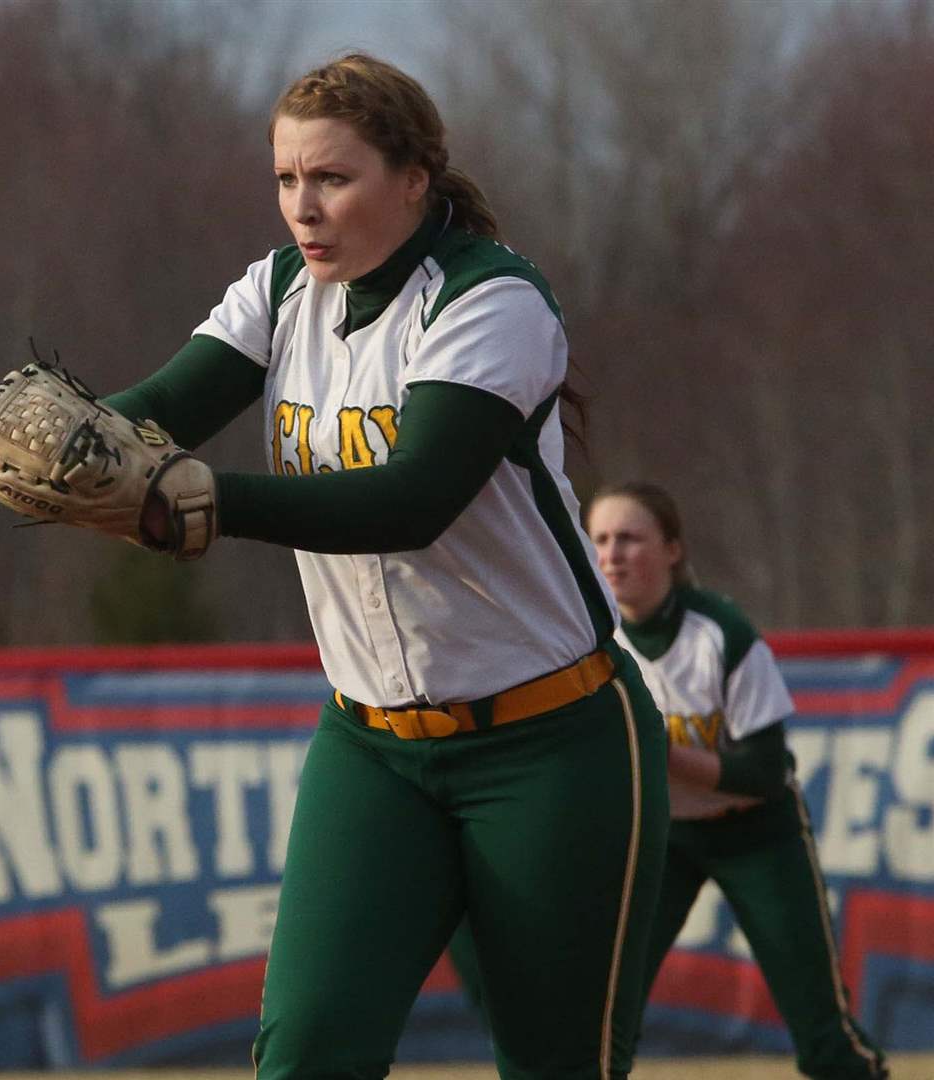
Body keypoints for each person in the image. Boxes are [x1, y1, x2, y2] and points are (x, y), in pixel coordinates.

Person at [104, 53, 669, 1080]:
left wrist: (211, 501)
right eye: (286, 180)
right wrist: (83, 440)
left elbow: (411, 501)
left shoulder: (490, 299)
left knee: (557, 1065)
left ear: (414, 179)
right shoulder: (281, 292)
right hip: (373, 750)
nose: (303, 209)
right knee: (309, 1052)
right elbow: (158, 414)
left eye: (332, 178)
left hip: (550, 744)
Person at [584, 482, 888, 1080]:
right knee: (603, 1015)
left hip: (757, 831)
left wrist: (661, 750)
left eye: (630, 538)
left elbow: (766, 772)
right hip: (663, 836)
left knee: (820, 1028)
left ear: (672, 549)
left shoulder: (720, 633)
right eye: (600, 539)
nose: (613, 554)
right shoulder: (588, 638)